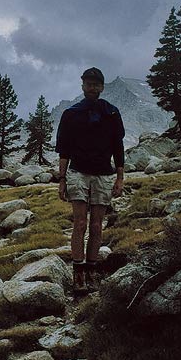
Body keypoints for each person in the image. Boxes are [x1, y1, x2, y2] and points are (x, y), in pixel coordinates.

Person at [55, 67, 125, 294]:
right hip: (78, 173)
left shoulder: (111, 113)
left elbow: (118, 147)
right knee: (80, 223)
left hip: (104, 174)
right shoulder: (71, 114)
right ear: (82, 86)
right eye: (88, 83)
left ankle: (92, 270)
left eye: (96, 84)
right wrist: (62, 179)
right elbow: (64, 149)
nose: (92, 87)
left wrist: (120, 178)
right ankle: (78, 273)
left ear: (102, 87)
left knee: (96, 225)